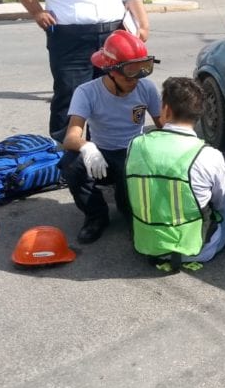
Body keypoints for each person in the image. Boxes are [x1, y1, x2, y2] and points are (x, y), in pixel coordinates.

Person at [10, 0, 150, 142]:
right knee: (70, 93)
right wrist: (37, 11)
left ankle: (102, 146)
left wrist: (143, 25)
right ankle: (65, 154)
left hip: (112, 36)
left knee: (109, 92)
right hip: (71, 38)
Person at [126, 77, 225, 270]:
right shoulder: (209, 155)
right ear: (199, 116)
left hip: (147, 246)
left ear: (166, 110)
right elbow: (220, 204)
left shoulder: (135, 145)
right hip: (199, 250)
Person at [60, 30, 162, 244]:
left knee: (128, 206)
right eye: (129, 73)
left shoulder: (146, 88)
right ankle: (96, 216)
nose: (135, 79)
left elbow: (164, 127)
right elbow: (71, 137)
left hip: (133, 153)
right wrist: (87, 147)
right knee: (71, 164)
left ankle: (132, 212)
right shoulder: (87, 92)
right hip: (101, 155)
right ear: (110, 71)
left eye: (141, 71)